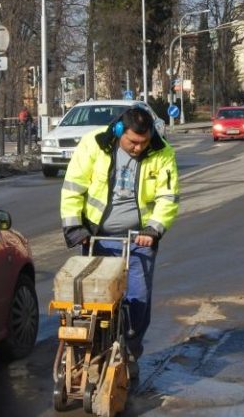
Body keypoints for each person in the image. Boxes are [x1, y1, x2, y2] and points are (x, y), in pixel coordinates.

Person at [60, 106, 179, 378]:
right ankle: (88, 352)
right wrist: (75, 228)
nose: (138, 148)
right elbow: (73, 187)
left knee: (138, 299)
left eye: (144, 142)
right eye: (132, 142)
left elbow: (167, 198)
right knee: (89, 301)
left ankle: (130, 352)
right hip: (96, 237)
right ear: (118, 132)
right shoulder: (94, 146)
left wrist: (153, 229)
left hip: (139, 240)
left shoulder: (162, 154)